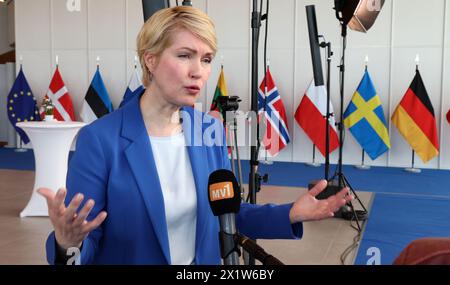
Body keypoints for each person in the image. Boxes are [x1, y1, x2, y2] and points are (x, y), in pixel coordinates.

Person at [38, 6, 352, 265]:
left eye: (206, 59)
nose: (198, 71)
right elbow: (86, 237)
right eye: (185, 55)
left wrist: (290, 214)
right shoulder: (101, 139)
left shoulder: (209, 130)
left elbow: (226, 214)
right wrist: (67, 243)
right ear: (151, 59)